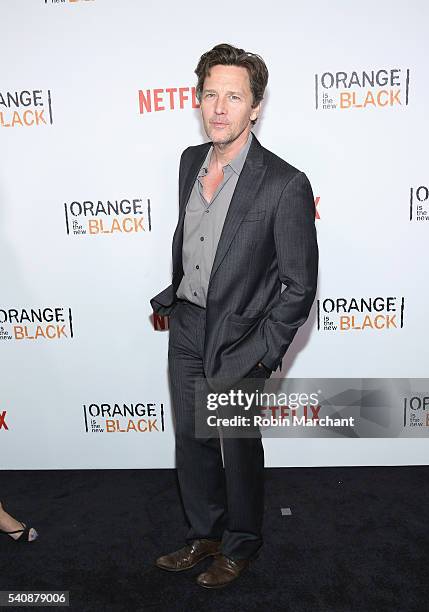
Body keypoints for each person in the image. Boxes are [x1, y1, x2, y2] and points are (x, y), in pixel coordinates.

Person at [150, 43, 318, 588]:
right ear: (198, 100)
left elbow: (299, 286)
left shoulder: (284, 183)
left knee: (238, 449)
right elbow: (199, 243)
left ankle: (241, 544)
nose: (219, 107)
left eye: (234, 96)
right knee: (192, 440)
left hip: (242, 336)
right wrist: (174, 294)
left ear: (256, 107)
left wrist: (264, 352)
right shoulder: (186, 162)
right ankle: (207, 533)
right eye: (210, 95)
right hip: (189, 326)